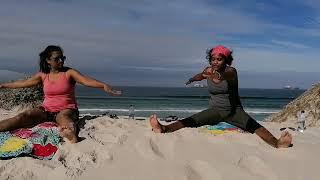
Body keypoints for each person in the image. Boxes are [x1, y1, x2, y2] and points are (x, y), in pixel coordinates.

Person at [150, 45, 292, 148]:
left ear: (226, 60)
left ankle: (277, 143)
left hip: (234, 111)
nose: (215, 62)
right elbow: (202, 75)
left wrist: (220, 75)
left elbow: (227, 75)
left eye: (219, 59)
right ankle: (163, 129)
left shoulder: (231, 71)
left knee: (256, 127)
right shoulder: (208, 70)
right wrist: (193, 79)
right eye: (213, 59)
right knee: (190, 120)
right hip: (215, 111)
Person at [0, 45, 122, 143]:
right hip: (46, 110)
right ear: (48, 60)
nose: (61, 61)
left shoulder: (69, 72)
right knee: (23, 116)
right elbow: (23, 83)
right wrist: (3, 85)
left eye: (62, 58)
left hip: (67, 109)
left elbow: (86, 80)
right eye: (57, 58)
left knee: (63, 118)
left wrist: (103, 85)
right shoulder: (43, 75)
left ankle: (71, 135)